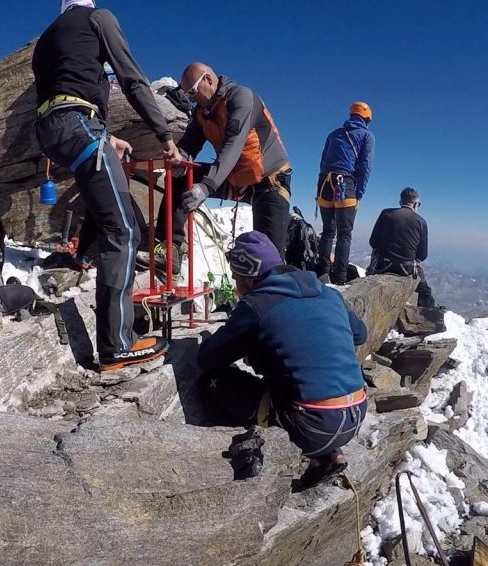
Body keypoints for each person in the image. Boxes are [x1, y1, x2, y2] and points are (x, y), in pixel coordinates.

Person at [33, 0, 182, 371]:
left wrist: (108, 137)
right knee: (124, 231)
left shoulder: (47, 38)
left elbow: (69, 85)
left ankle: (83, 257)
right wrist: (165, 137)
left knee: (105, 202)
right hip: (77, 124)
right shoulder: (99, 19)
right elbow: (131, 79)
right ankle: (117, 344)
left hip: (51, 132)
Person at [197, 231, 369, 491]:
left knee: (212, 382)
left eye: (236, 277)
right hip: (356, 413)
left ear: (248, 275)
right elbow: (360, 334)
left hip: (313, 426)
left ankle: (255, 451)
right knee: (297, 383)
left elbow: (208, 359)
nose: (235, 283)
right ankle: (328, 455)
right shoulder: (328, 293)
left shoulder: (257, 304)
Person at [147, 64, 292, 273]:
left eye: (193, 92)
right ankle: (170, 251)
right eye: (187, 94)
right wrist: (180, 157)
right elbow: (189, 143)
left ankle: (276, 300)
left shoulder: (242, 97)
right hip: (235, 177)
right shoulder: (202, 113)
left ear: (208, 79)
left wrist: (206, 187)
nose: (191, 99)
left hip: (270, 182)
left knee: (269, 258)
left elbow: (233, 145)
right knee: (181, 177)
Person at [316, 102, 375, 284]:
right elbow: (366, 167)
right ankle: (339, 279)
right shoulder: (367, 136)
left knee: (327, 232)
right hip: (345, 184)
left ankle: (322, 273)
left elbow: (323, 162)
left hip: (324, 184)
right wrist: (359, 194)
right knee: (344, 234)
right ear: (366, 118)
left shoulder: (334, 135)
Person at [367, 187, 436, 307]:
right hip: (407, 269)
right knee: (425, 291)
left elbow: (373, 242)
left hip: (383, 265)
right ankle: (427, 313)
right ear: (415, 204)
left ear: (400, 202)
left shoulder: (386, 213)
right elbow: (422, 255)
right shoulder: (421, 222)